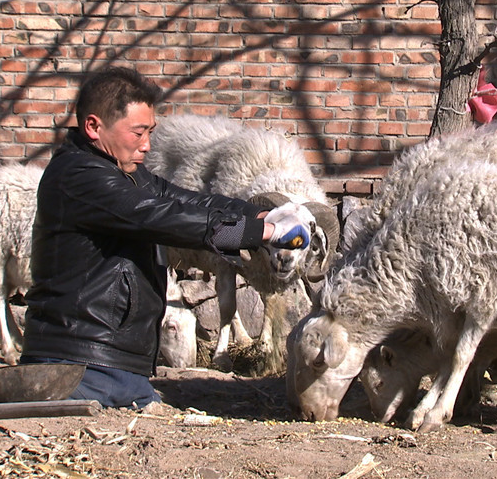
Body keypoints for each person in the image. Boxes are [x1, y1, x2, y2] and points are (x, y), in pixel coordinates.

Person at [21, 66, 310, 409]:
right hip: (77, 363)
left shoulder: (126, 173)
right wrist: (263, 233)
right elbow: (172, 220)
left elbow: (186, 200)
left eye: (150, 132)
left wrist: (260, 213)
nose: (147, 145)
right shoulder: (82, 179)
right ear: (93, 127)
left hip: (113, 364)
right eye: (138, 132)